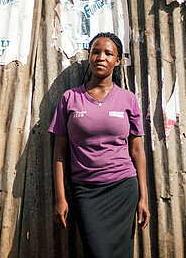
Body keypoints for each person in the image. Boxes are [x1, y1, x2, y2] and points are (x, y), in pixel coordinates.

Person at [49, 32, 150, 258]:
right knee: (96, 252)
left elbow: (137, 151)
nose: (100, 57)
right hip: (85, 190)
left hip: (123, 188)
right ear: (89, 57)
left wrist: (143, 198)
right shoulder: (70, 98)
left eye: (108, 53)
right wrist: (60, 198)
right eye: (95, 52)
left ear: (117, 60)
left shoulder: (128, 99)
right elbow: (59, 152)